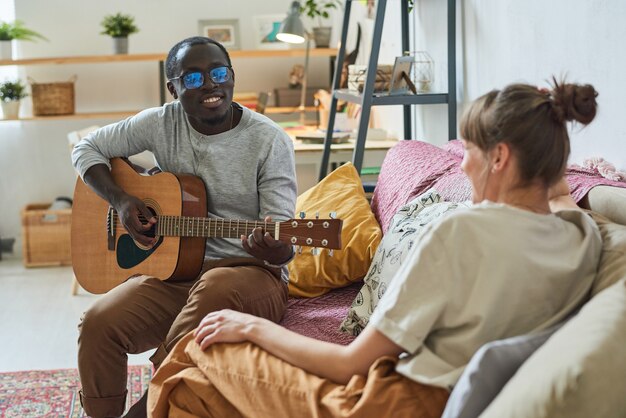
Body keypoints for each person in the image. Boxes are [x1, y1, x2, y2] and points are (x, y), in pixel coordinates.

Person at [147, 79, 603, 418]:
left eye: (469, 150)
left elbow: (352, 363)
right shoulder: (578, 235)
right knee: (191, 391)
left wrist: (250, 327)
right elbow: (560, 193)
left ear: (500, 158)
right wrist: (547, 141)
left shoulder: (461, 232)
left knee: (192, 351)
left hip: (387, 403)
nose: (462, 164)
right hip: (452, 394)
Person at [71, 36, 297, 418]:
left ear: (232, 78)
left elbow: (286, 242)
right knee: (98, 324)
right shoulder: (161, 122)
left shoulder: (269, 140)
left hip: (252, 276)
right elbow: (85, 149)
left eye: (219, 73)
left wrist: (274, 246)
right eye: (192, 78)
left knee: (215, 285)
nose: (210, 84)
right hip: (178, 270)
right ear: (173, 88)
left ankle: (148, 409)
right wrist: (122, 200)